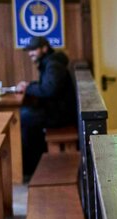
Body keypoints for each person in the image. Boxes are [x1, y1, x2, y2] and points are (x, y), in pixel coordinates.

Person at [15, 36, 77, 176]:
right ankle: (33, 164)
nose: (30, 53)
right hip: (57, 111)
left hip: (61, 115)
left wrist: (27, 89)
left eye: (33, 50)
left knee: (23, 118)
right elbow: (47, 86)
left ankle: (31, 167)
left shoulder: (53, 64)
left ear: (44, 48)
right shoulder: (50, 62)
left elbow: (49, 90)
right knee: (25, 115)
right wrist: (30, 86)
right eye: (29, 50)